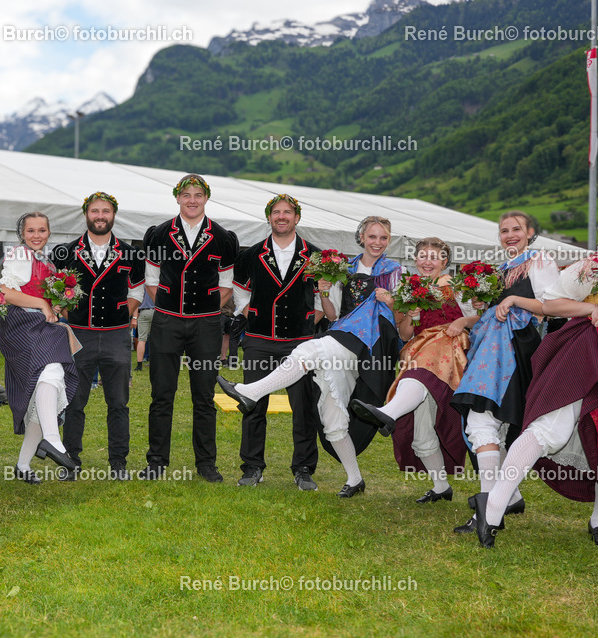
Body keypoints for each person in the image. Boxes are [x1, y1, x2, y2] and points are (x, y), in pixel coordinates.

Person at [474, 210, 598, 547]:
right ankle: (492, 507)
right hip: (585, 349)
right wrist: (590, 309)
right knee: (550, 425)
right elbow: (550, 303)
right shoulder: (590, 267)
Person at [218, 216, 404, 497]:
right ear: (362, 238)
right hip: (343, 338)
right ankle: (355, 479)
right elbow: (332, 315)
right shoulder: (344, 268)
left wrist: (391, 302)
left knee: (309, 349)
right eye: (372, 236)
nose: (377, 242)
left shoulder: (396, 271)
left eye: (383, 238)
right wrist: (325, 292)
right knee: (332, 418)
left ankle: (250, 392)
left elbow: (403, 322)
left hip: (373, 345)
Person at [447, 211, 560, 534]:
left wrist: (513, 299)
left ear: (530, 232)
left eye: (516, 229)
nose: (510, 235)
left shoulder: (539, 261)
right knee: (494, 425)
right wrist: (475, 310)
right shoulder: (500, 270)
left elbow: (552, 307)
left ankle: (489, 511)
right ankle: (508, 498)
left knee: (482, 419)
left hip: (515, 349)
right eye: (504, 231)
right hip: (490, 349)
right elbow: (489, 314)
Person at [351, 237, 470, 502]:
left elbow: (480, 315)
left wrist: (462, 321)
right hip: (419, 349)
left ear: (444, 263)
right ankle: (441, 488)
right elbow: (405, 334)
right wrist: (412, 314)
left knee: (417, 373)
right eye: (423, 256)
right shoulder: (410, 289)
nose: (427, 261)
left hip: (446, 350)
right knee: (421, 435)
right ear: (415, 260)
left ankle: (388, 413)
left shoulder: (453, 285)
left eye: (434, 257)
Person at [142, 174, 238, 482]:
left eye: (198, 194)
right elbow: (152, 281)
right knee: (161, 394)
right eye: (186, 194)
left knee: (204, 396)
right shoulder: (159, 234)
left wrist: (203, 311)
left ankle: (206, 463)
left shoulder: (223, 237)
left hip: (206, 326)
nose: (192, 200)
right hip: (167, 322)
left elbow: (227, 285)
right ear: (178, 198)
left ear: (206, 198)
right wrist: (172, 308)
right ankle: (157, 461)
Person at [230, 194, 324, 490]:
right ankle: (252, 466)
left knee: (304, 407)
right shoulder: (251, 255)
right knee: (253, 404)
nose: (281, 217)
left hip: (301, 343)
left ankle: (304, 468)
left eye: (287, 212)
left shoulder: (316, 256)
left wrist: (309, 322)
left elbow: (323, 296)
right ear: (269, 217)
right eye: (276, 212)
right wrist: (252, 313)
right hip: (259, 340)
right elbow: (239, 290)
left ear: (297, 217)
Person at [52, 193, 145, 480]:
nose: (100, 216)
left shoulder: (131, 253)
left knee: (118, 402)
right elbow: (54, 291)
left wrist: (123, 315)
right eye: (95, 211)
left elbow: (137, 291)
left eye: (106, 211)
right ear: (86, 214)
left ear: (113, 215)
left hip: (116, 335)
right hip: (79, 335)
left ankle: (118, 463)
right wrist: (70, 315)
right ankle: (71, 460)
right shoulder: (65, 252)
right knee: (74, 401)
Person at [0, 212, 81, 484]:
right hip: (22, 325)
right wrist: (43, 304)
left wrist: (56, 304)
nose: (36, 235)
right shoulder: (20, 255)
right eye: (31, 230)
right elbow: (5, 292)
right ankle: (53, 441)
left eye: (41, 230)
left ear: (48, 232)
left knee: (47, 386)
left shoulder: (45, 260)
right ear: (22, 234)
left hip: (40, 326)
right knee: (53, 370)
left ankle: (24, 464)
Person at [134, 288, 155, 371]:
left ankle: (139, 365)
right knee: (156, 340)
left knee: (142, 339)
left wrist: (135, 316)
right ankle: (154, 362)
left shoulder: (142, 285)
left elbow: (137, 300)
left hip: (144, 312)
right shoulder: (158, 283)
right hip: (156, 312)